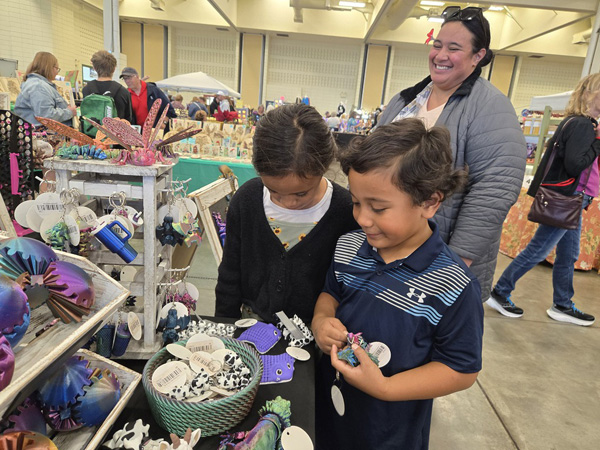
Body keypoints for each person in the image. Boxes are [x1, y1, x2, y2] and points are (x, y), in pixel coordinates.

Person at [313, 119, 483, 449]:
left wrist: (385, 388)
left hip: (389, 431)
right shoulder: (349, 246)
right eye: (357, 202)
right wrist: (321, 320)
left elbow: (461, 369)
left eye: (378, 208)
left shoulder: (453, 284)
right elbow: (330, 293)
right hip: (328, 411)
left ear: (429, 202)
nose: (362, 218)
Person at [377, 6, 526, 301]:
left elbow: (495, 188)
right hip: (388, 246)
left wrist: (456, 263)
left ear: (477, 56)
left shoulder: (490, 107)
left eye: (454, 48)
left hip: (441, 256)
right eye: (437, 45)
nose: (441, 55)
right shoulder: (405, 100)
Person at [215, 103, 358, 323]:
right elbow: (229, 275)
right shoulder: (247, 200)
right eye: (273, 191)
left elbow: (348, 287)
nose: (289, 203)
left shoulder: (346, 211)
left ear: (324, 167)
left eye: (301, 194)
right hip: (250, 325)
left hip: (316, 332)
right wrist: (224, 325)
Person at [488, 74, 600, 326]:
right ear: (589, 94)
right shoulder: (583, 125)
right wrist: (598, 142)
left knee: (568, 254)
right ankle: (500, 292)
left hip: (571, 199)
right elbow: (575, 165)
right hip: (568, 198)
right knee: (539, 249)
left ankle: (563, 304)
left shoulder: (579, 123)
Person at [14, 51, 77, 127]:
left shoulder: (38, 84)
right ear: (49, 67)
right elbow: (46, 116)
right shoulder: (39, 86)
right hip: (42, 132)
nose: (57, 72)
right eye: (57, 68)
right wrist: (69, 112)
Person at [82, 50, 134, 123]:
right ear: (114, 68)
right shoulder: (123, 92)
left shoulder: (86, 89)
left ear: (94, 68)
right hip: (114, 130)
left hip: (91, 129)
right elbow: (128, 120)